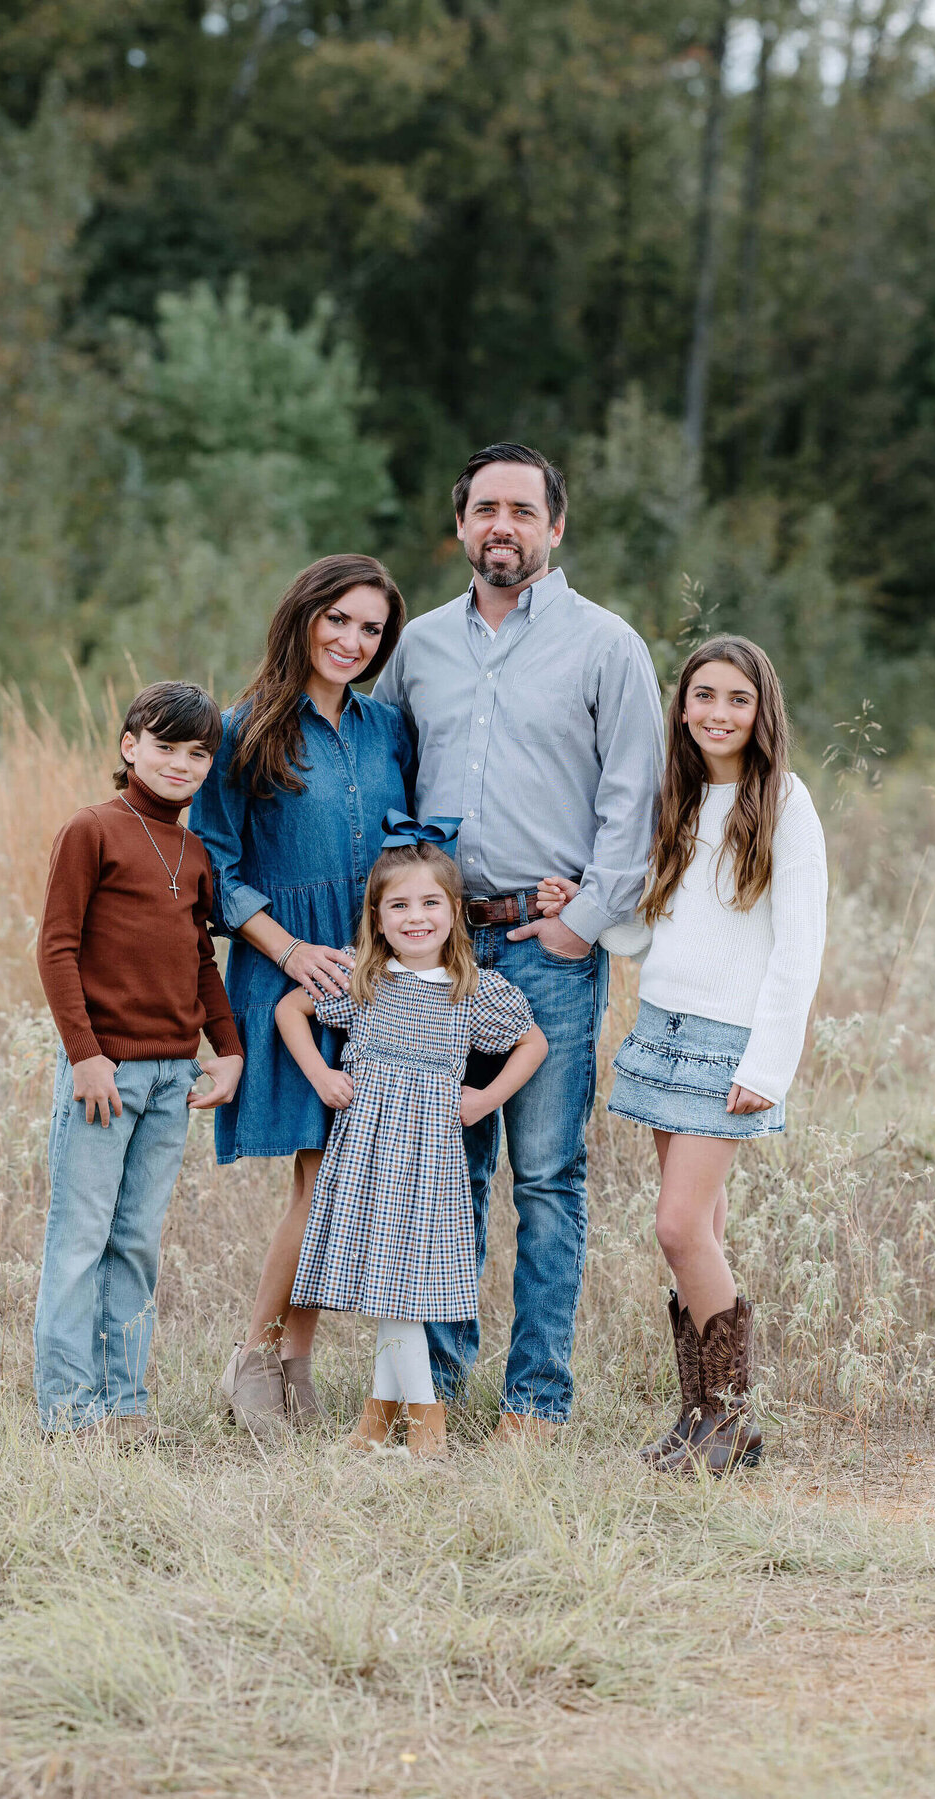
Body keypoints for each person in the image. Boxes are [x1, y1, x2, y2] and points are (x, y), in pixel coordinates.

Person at [373, 442, 665, 1436]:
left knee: (547, 1175)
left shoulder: (606, 645)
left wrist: (583, 925)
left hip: (551, 952)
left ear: (556, 525)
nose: (503, 525)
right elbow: (389, 782)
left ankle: (536, 1400)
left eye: (522, 510)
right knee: (448, 1165)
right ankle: (438, 1392)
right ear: (459, 525)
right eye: (484, 508)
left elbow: (636, 801)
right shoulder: (418, 645)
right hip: (440, 954)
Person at [544, 636, 827, 1476]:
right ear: (683, 705)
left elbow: (799, 947)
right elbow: (656, 926)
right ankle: (699, 1416)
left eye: (737, 699)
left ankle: (734, 1418)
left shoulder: (785, 802)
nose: (717, 713)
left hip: (730, 1045)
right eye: (703, 695)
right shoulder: (678, 795)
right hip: (662, 1031)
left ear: (761, 710)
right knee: (698, 1226)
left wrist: (766, 1065)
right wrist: (589, 908)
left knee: (675, 1225)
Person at [189, 554, 413, 1440]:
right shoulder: (243, 732)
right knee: (321, 1180)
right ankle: (256, 1361)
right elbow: (216, 868)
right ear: (303, 617)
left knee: (339, 1177)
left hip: (377, 979)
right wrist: (288, 952)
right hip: (289, 970)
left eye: (371, 629)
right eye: (340, 620)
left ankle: (291, 1365)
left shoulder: (389, 729)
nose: (353, 640)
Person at [277, 823, 547, 1456]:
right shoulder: (366, 980)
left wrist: (484, 1099)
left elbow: (533, 1043)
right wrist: (322, 1076)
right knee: (387, 1283)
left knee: (403, 1286)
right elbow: (290, 1009)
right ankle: (377, 1423)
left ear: (455, 913)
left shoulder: (472, 990)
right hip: (369, 1151)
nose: (415, 917)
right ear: (377, 915)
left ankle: (426, 1424)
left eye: (430, 904)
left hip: (427, 1161)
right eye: (398, 905)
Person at [34, 682, 245, 1442]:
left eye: (198, 753)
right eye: (165, 747)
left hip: (170, 1078)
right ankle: (67, 1410)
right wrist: (84, 1055)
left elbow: (200, 961)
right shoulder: (91, 830)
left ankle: (125, 1405)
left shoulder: (194, 852)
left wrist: (228, 1050)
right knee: (81, 1237)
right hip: (106, 1075)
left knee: (136, 1242)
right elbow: (55, 947)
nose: (181, 764)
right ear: (130, 746)